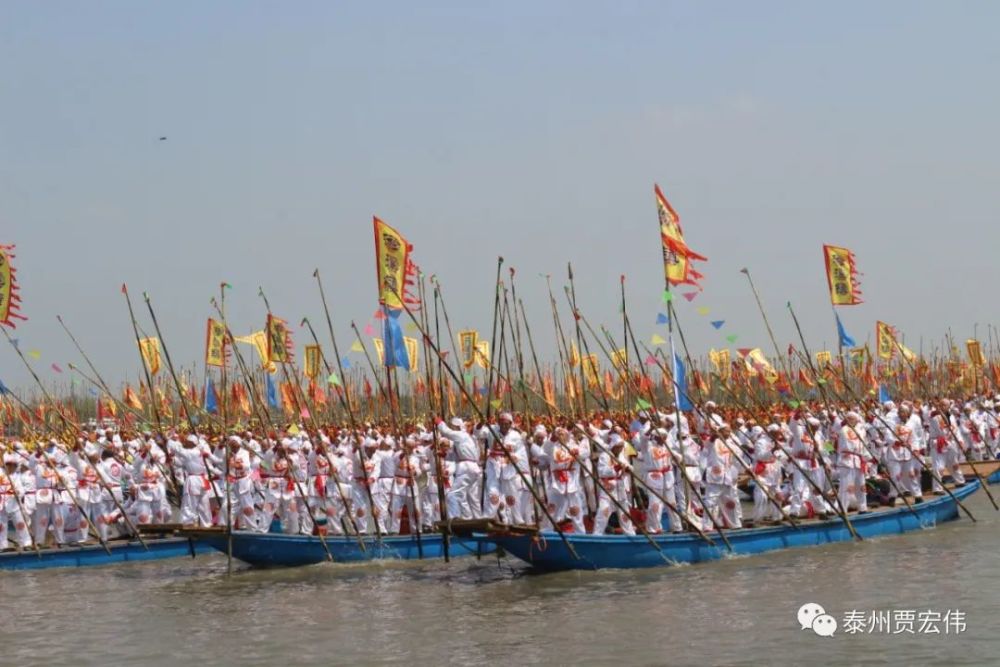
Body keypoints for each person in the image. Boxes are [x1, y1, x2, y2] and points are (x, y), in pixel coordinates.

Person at [836, 412, 869, 512]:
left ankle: (863, 508)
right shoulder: (843, 430)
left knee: (861, 485)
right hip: (847, 461)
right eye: (848, 418)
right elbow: (836, 429)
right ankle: (843, 509)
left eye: (852, 418)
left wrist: (867, 457)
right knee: (846, 487)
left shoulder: (861, 430)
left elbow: (863, 442)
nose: (849, 420)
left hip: (859, 461)